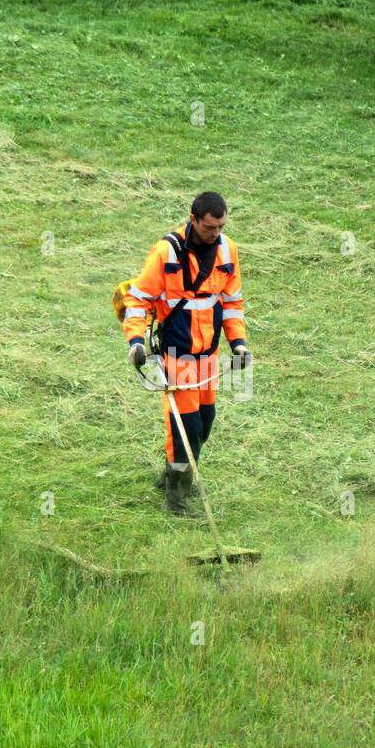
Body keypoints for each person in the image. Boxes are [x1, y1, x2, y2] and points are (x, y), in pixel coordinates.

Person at [121, 191, 251, 514]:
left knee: (205, 422)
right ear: (193, 220)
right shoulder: (166, 253)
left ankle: (171, 475)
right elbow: (138, 301)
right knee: (185, 432)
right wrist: (136, 342)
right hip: (177, 357)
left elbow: (232, 304)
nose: (216, 234)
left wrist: (239, 344)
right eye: (210, 227)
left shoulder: (227, 251)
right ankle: (176, 500)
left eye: (221, 226)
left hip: (209, 357)